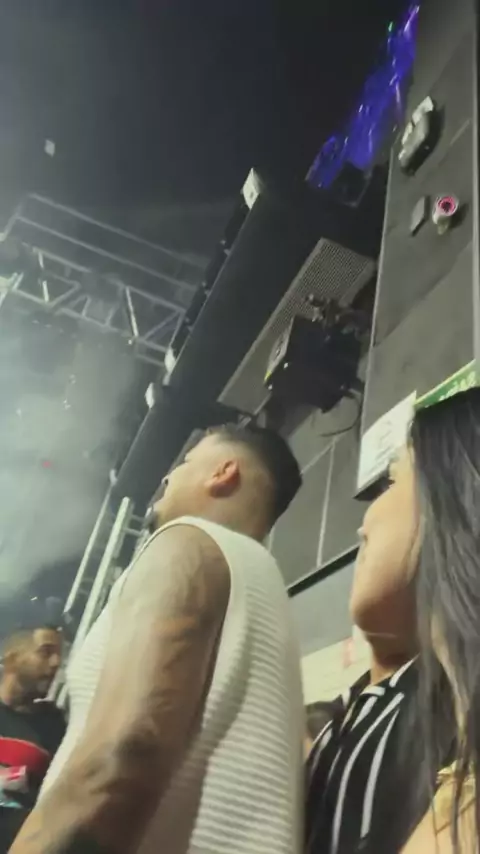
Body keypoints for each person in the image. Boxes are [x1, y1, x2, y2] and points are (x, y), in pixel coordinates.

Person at [11, 423, 304, 854]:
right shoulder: (262, 581)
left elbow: (126, 750)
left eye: (186, 462)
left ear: (222, 473)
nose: (168, 475)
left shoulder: (188, 543)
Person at [0, 627, 64, 850]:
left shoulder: (54, 725)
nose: (56, 663)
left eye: (59, 656)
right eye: (45, 652)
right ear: (12, 659)